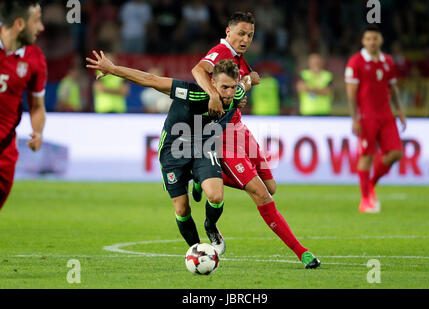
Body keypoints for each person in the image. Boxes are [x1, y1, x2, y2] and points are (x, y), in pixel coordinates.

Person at [191, 12, 320, 268]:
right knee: (262, 194)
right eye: (241, 33)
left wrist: (248, 83)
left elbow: (241, 85)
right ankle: (302, 252)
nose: (245, 39)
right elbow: (197, 70)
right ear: (228, 32)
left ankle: (202, 176)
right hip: (223, 133)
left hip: (241, 129)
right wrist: (213, 96)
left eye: (250, 35)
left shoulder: (239, 59)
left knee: (271, 187)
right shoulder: (221, 51)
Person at [86, 52, 250, 253]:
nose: (229, 93)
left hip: (204, 146)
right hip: (174, 148)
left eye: (233, 87)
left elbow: (248, 83)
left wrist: (252, 79)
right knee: (182, 209)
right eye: (224, 87)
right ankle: (198, 251)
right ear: (213, 83)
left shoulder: (237, 94)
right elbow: (151, 80)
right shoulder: (193, 92)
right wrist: (113, 70)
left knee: (215, 197)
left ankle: (210, 226)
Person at [345, 25, 406, 213]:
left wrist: (399, 110)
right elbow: (351, 94)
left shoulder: (388, 61)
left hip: (387, 115)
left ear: (381, 40)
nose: (372, 42)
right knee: (367, 156)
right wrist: (354, 118)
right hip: (366, 116)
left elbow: (392, 88)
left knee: (396, 153)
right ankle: (365, 200)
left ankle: (371, 184)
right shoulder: (355, 62)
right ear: (364, 41)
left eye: (375, 38)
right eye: (369, 39)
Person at [0, 0, 47, 210]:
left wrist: (38, 131)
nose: (41, 28)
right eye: (36, 21)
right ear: (19, 23)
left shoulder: (34, 59)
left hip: (5, 151)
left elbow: (37, 105)